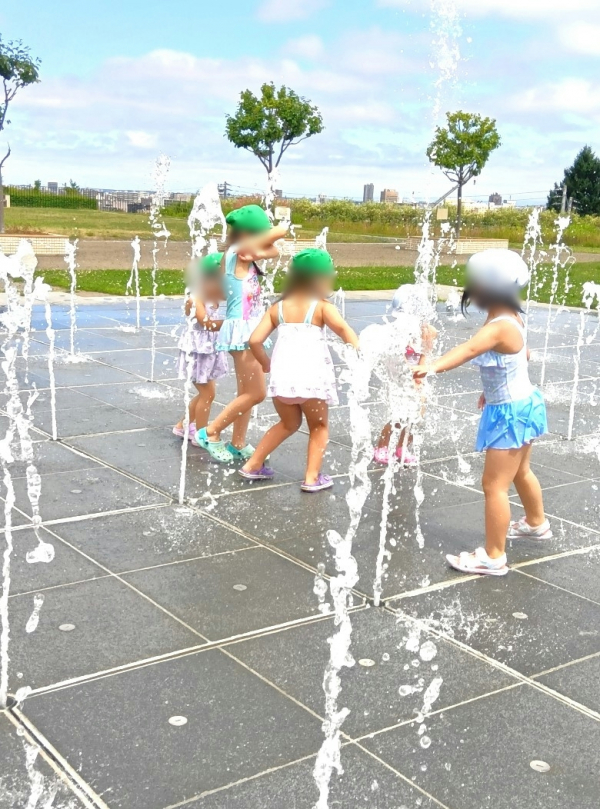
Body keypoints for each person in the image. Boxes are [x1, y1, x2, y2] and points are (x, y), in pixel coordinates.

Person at [414, 249, 551, 576]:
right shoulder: (512, 317)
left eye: (472, 286)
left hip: (510, 414)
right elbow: (518, 357)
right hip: (523, 403)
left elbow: (468, 350)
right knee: (520, 472)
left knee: (493, 485)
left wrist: (432, 367)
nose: (468, 292)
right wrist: (489, 390)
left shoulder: (497, 327)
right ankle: (536, 523)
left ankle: (493, 556)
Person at [239, 248, 359, 492]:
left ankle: (253, 465)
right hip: (311, 383)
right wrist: (357, 356)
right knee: (318, 426)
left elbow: (254, 341)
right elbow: (345, 331)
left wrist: (265, 363)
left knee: (288, 423)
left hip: (282, 382)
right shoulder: (322, 308)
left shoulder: (278, 308)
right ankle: (312, 478)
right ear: (318, 280)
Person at [194, 205, 289, 463]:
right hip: (243, 332)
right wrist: (281, 227)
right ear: (246, 233)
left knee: (246, 393)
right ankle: (210, 432)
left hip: (248, 330)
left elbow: (273, 249)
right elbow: (276, 239)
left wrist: (259, 246)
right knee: (256, 393)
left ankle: (238, 442)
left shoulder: (242, 255)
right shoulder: (235, 252)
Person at [373, 283, 437, 466]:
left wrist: (419, 376)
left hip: (418, 377)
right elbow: (396, 357)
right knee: (398, 416)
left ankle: (403, 447)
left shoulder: (427, 332)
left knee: (417, 416)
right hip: (400, 377)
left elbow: (425, 354)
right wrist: (408, 374)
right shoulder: (396, 332)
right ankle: (382, 447)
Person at [172, 252, 227, 440]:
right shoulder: (195, 300)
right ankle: (202, 435)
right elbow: (206, 323)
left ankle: (182, 425)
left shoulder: (214, 298)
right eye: (222, 283)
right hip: (196, 353)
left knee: (208, 393)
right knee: (207, 394)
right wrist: (232, 323)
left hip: (207, 352)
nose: (225, 289)